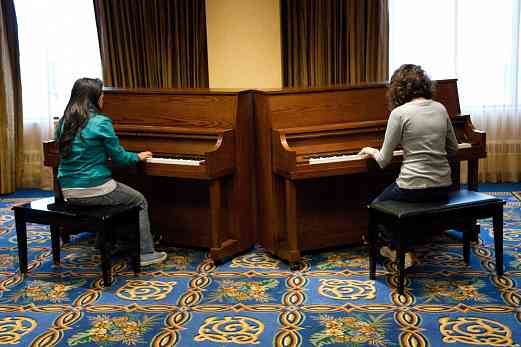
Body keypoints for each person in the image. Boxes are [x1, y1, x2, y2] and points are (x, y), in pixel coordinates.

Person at [55, 77, 167, 267]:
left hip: (68, 190)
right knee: (138, 199)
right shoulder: (100, 122)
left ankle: (103, 242)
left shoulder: (65, 122)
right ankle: (146, 253)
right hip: (93, 189)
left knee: (109, 196)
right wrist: (138, 157)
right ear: (94, 97)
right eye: (102, 95)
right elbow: (121, 158)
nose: (103, 98)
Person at [358, 64, 459, 267]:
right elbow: (453, 149)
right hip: (442, 187)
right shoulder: (440, 108)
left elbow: (383, 160)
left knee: (375, 208)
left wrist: (370, 150)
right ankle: (404, 245)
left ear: (398, 88)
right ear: (425, 85)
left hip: (412, 187)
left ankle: (401, 249)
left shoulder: (399, 113)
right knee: (404, 200)